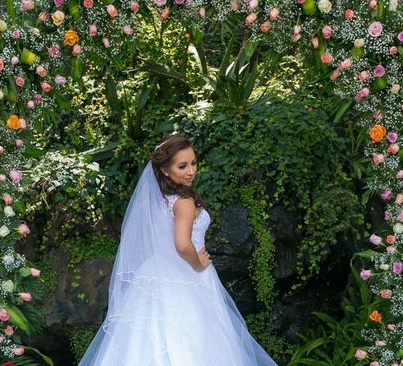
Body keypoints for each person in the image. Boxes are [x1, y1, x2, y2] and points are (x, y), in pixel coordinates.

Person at [78, 133, 278, 365]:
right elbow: (183, 245)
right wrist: (198, 264)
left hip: (154, 274)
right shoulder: (184, 202)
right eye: (182, 166)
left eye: (193, 163)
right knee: (195, 340)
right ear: (165, 170)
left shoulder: (162, 197)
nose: (191, 171)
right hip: (187, 278)